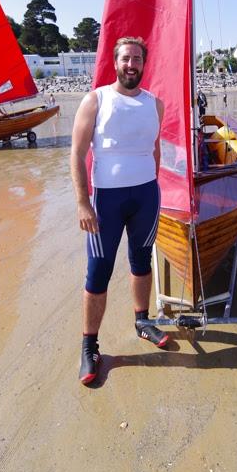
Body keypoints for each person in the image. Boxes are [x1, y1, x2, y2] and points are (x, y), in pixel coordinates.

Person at [71, 36, 168, 385]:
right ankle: (89, 346)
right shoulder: (95, 100)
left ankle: (142, 320)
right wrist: (83, 201)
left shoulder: (155, 104)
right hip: (105, 202)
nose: (132, 64)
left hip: (145, 196)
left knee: (142, 263)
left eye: (137, 59)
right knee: (98, 273)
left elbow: (155, 149)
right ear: (116, 62)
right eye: (126, 58)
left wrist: (153, 188)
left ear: (144, 63)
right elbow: (78, 154)